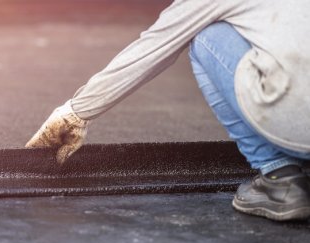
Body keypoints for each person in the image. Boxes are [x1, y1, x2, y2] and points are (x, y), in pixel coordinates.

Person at [25, 0, 310, 221]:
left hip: (297, 127)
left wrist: (75, 113)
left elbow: (153, 49)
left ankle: (278, 177)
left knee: (206, 37)